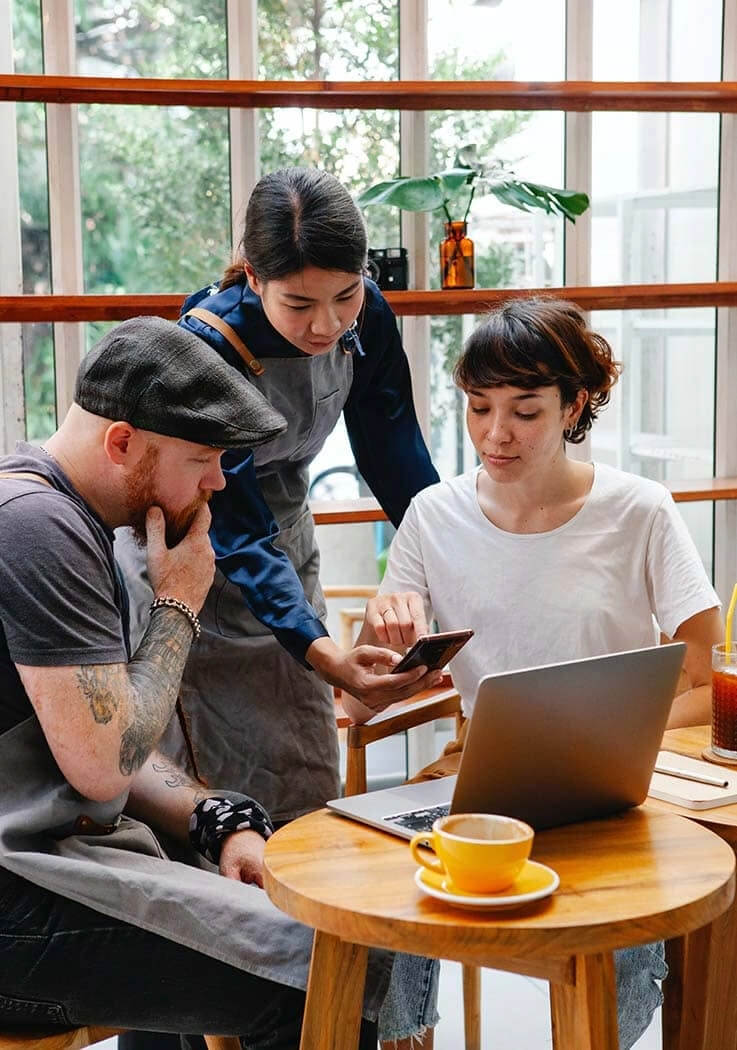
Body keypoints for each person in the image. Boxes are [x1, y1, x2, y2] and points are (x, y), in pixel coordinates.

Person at [0, 317, 405, 1048]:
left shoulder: (63, 515)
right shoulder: (37, 528)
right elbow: (101, 764)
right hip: (16, 907)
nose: (219, 480)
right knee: (331, 966)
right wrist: (179, 602)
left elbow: (91, 735)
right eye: (203, 458)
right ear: (121, 443)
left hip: (47, 869)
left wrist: (214, 817)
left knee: (303, 923)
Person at [353, 296, 723, 1049]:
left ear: (572, 405)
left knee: (620, 939)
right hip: (473, 775)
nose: (495, 433)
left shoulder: (637, 510)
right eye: (479, 406)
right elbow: (366, 691)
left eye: (524, 410)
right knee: (378, 903)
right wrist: (385, 623)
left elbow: (699, 667)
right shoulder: (432, 514)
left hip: (611, 786)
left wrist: (624, 746)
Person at [116, 166, 442, 825]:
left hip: (286, 538)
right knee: (223, 767)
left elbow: (393, 448)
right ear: (254, 277)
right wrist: (325, 652)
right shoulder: (208, 344)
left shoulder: (366, 312)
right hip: (198, 550)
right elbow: (232, 520)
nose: (326, 324)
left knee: (305, 755)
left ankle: (311, 923)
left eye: (344, 296)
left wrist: (451, 550)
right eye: (299, 304)